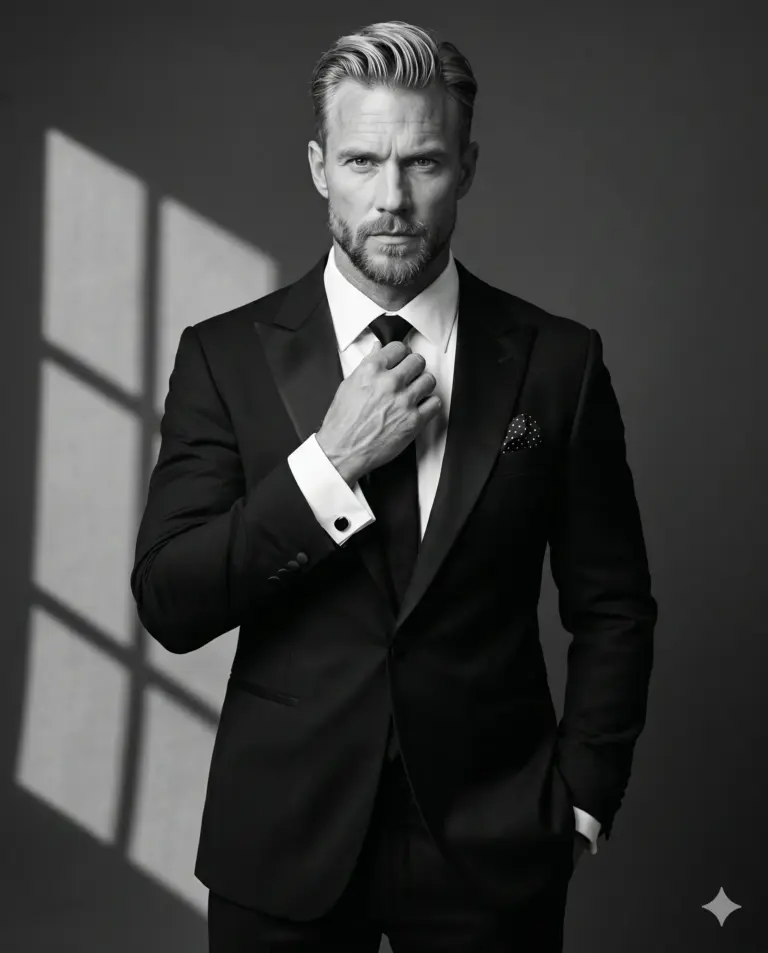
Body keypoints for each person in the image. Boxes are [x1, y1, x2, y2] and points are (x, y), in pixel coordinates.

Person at [131, 19, 658, 953]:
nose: (393, 199)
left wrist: (583, 795)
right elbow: (171, 600)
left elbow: (613, 603)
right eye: (364, 161)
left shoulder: (558, 363)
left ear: (467, 167)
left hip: (496, 842)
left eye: (422, 163)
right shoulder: (222, 358)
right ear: (318, 166)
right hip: (282, 841)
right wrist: (327, 466)